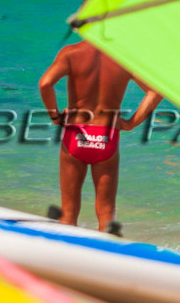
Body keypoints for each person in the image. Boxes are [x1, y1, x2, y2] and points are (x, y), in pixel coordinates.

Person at [38, 42, 164, 232]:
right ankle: (106, 249)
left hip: (76, 135)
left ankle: (65, 249)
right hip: (106, 136)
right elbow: (155, 92)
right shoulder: (124, 57)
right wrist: (131, 123)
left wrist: (55, 117)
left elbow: (45, 83)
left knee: (68, 212)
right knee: (106, 213)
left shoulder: (71, 52)